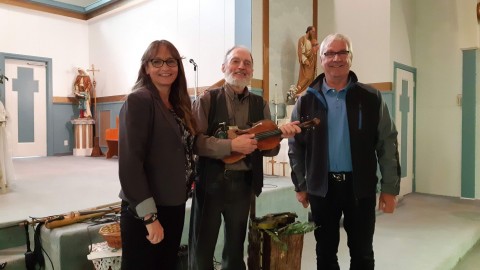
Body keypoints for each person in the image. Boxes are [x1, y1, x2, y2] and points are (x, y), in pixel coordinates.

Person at [288, 33, 401, 270]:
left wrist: (390, 188)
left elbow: (387, 143)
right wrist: (301, 184)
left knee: (362, 254)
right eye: (330, 53)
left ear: (351, 57)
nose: (336, 58)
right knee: (325, 254)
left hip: (359, 188)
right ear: (321, 59)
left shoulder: (371, 98)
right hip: (322, 188)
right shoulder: (306, 101)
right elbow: (296, 146)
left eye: (342, 52)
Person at [189, 45, 301, 270]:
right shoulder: (207, 100)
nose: (241, 67)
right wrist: (230, 145)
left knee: (235, 250)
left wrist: (280, 137)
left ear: (252, 71)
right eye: (235, 61)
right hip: (210, 184)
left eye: (247, 63)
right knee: (202, 248)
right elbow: (195, 142)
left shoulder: (260, 104)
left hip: (243, 186)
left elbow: (268, 150)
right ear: (224, 67)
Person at [118, 40, 196, 269]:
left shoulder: (179, 104)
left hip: (174, 203)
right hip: (148, 209)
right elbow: (131, 165)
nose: (165, 67)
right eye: (157, 61)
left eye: (171, 61)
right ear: (146, 67)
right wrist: (150, 218)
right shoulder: (139, 100)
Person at [296, 26, 318, 95]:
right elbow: (300, 52)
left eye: (314, 32)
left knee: (311, 79)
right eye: (312, 31)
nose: (314, 33)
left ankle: (307, 92)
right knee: (306, 77)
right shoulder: (302, 39)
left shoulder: (312, 41)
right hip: (306, 63)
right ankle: (299, 92)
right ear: (308, 31)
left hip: (312, 62)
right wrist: (305, 60)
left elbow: (315, 50)